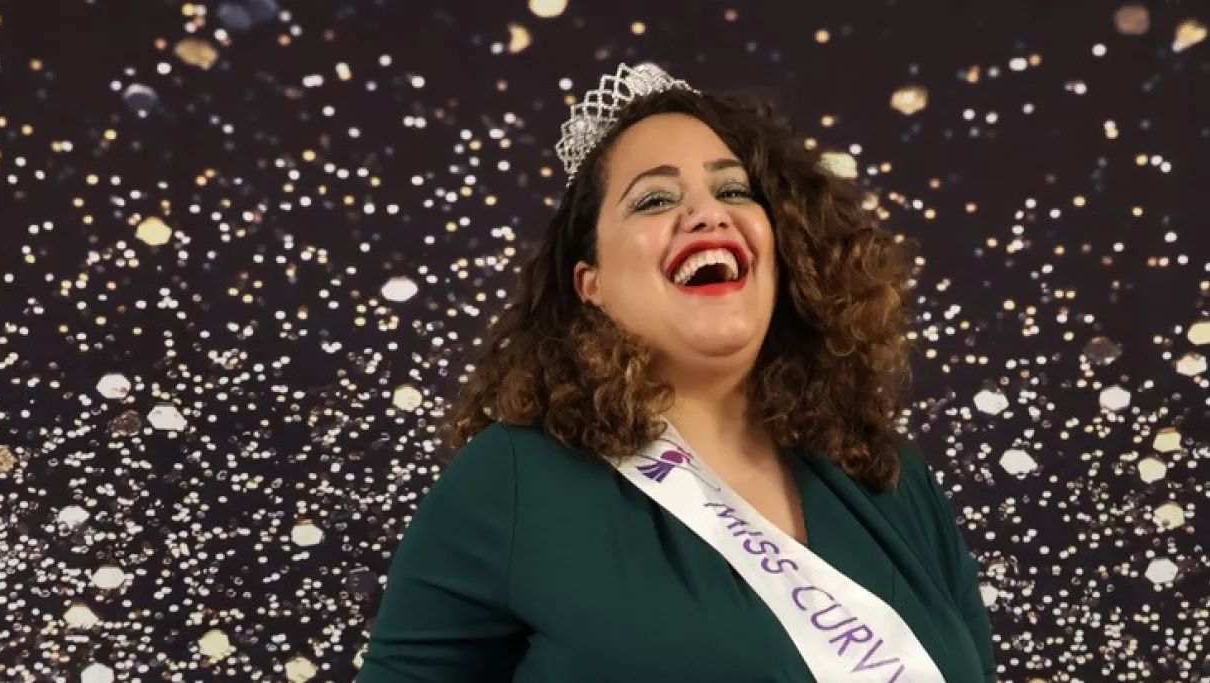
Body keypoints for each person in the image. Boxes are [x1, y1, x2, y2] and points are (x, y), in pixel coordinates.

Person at [357, 62, 995, 682]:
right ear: (592, 284)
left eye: (734, 191)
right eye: (655, 199)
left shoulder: (890, 479)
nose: (708, 213)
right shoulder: (515, 481)